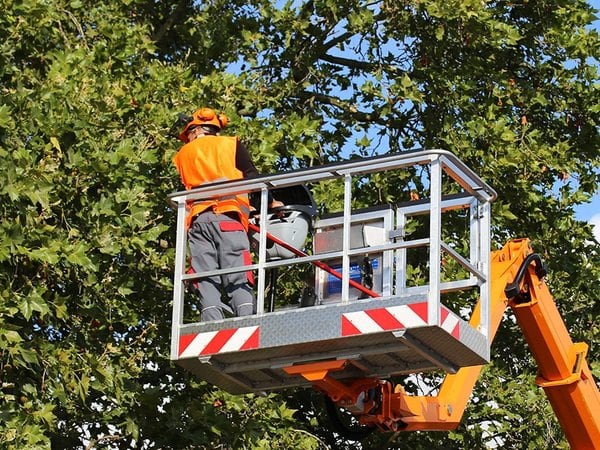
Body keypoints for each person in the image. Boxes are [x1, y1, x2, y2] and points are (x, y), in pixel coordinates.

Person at [172, 107, 282, 321]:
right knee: (237, 268)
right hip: (228, 216)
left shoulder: (182, 155)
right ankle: (246, 318)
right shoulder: (230, 144)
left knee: (205, 274)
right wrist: (267, 204)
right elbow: (252, 178)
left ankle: (211, 319)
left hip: (197, 221)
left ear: (194, 130)